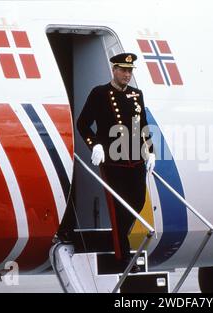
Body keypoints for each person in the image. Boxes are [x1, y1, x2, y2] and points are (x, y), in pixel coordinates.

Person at [77, 53, 155, 272]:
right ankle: (123, 258)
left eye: (130, 71)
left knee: (137, 203)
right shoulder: (100, 93)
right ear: (114, 70)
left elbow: (143, 125)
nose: (127, 75)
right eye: (123, 70)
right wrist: (96, 145)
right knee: (118, 209)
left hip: (135, 160)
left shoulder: (136, 94)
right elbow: (83, 123)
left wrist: (150, 152)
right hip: (112, 160)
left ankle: (119, 241)